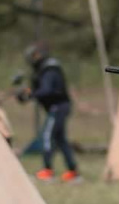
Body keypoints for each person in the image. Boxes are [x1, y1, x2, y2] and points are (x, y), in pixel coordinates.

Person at [17, 42, 80, 183]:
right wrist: (28, 93)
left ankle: (47, 170)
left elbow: (47, 90)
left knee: (47, 136)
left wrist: (31, 94)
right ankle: (72, 171)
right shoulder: (47, 69)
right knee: (61, 140)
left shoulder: (49, 70)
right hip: (59, 107)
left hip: (58, 107)